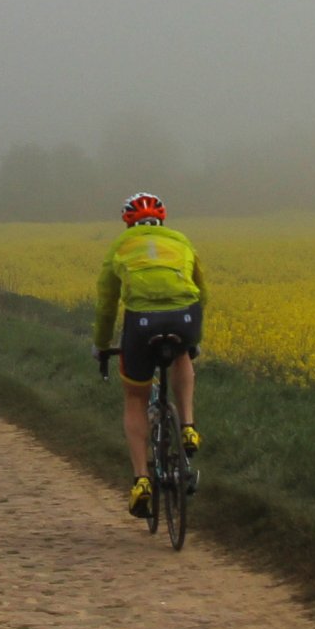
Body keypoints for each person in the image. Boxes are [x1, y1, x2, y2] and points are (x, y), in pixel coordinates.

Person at [92, 192, 207, 518]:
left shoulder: (120, 246)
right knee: (182, 354)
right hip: (184, 316)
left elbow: (106, 304)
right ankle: (187, 426)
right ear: (162, 220)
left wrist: (101, 344)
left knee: (134, 397)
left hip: (141, 324)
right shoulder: (180, 240)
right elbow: (203, 289)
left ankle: (141, 480)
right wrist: (194, 335)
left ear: (129, 222)